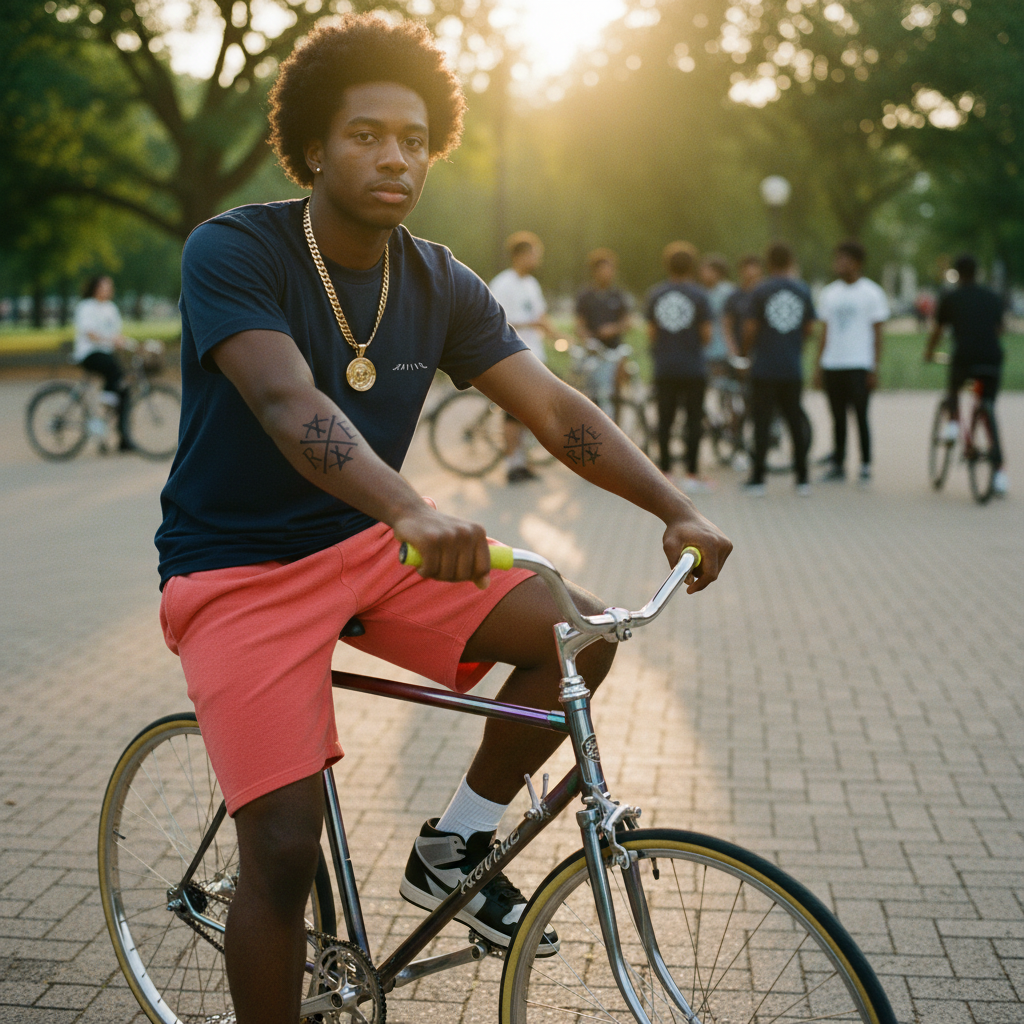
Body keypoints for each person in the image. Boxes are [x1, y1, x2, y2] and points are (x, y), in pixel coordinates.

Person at [154, 16, 733, 1023]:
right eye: (366, 133)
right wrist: (411, 505)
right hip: (235, 568)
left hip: (365, 550)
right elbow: (289, 402)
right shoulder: (234, 249)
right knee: (283, 850)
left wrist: (676, 507)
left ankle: (454, 843)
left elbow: (555, 411)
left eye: (414, 139)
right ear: (313, 147)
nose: (393, 156)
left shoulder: (438, 280)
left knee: (577, 631)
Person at [924, 253, 1007, 494]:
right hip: (992, 357)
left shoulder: (951, 298)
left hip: (965, 356)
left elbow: (938, 330)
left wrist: (929, 353)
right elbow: (999, 329)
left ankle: (951, 424)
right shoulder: (993, 297)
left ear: (957, 273)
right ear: (977, 271)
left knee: (954, 388)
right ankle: (1000, 473)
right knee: (987, 405)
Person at [741, 242, 816, 495]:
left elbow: (751, 327)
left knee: (761, 422)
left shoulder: (760, 290)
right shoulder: (802, 289)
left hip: (764, 366)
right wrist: (795, 345)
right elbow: (808, 328)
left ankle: (758, 479)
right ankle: (803, 478)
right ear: (791, 260)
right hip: (791, 366)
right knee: (794, 420)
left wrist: (745, 352)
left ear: (768, 262)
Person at [814, 240, 889, 484]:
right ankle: (838, 463)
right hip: (833, 363)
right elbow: (824, 332)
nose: (838, 264)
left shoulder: (872, 293)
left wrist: (874, 367)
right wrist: (818, 366)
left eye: (843, 259)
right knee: (837, 417)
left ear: (856, 263)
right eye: (837, 259)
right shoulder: (829, 293)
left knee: (860, 415)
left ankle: (866, 463)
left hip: (859, 364)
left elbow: (878, 334)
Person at [488, 231, 556, 484]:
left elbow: (541, 317)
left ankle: (522, 461)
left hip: (534, 355)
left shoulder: (531, 284)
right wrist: (531, 323)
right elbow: (495, 321)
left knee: (529, 413)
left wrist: (560, 337)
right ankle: (512, 465)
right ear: (521, 255)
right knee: (513, 414)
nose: (537, 259)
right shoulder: (502, 284)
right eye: (534, 254)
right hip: (512, 356)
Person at [645, 241, 713, 491]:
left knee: (664, 421)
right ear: (692, 266)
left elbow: (651, 332)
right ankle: (692, 474)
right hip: (693, 367)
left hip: (665, 367)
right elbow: (706, 334)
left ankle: (665, 473)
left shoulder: (656, 294)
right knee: (693, 421)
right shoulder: (699, 295)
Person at [73, 275, 133, 451]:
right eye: (104, 286)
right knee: (113, 370)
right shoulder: (86, 307)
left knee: (125, 389)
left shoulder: (111, 308)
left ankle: (123, 437)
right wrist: (110, 340)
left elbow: (116, 335)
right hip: (89, 353)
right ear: (95, 288)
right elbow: (89, 334)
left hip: (106, 354)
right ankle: (106, 401)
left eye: (110, 286)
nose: (108, 289)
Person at [574, 248, 632, 416]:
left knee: (616, 393)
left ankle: (617, 429)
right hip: (593, 352)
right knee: (592, 395)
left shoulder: (618, 294)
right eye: (605, 269)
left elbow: (628, 321)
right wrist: (587, 339)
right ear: (595, 271)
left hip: (614, 350)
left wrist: (614, 328)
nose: (609, 273)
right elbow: (579, 325)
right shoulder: (586, 296)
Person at [698, 254, 737, 377]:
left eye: (706, 270)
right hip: (707, 347)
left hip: (725, 346)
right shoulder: (701, 292)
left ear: (717, 272)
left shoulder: (729, 292)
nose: (702, 273)